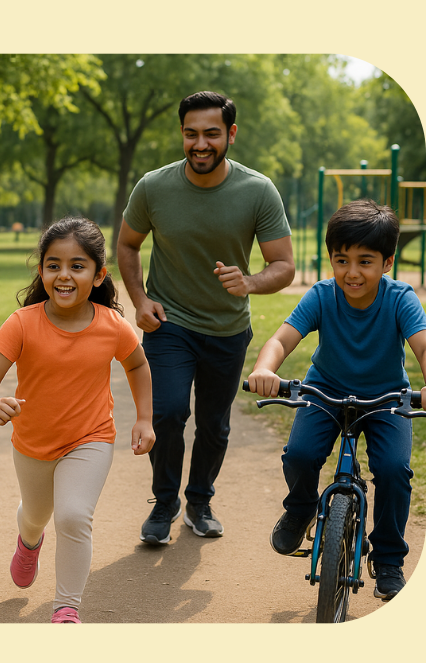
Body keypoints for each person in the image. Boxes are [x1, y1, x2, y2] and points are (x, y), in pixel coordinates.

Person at [118, 91, 294, 544]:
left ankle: (199, 501)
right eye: (191, 134)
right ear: (182, 134)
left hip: (226, 328)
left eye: (211, 134)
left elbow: (283, 265)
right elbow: (127, 244)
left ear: (230, 134)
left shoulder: (258, 190)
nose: (200, 144)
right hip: (169, 323)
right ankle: (164, 503)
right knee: (167, 412)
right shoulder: (153, 187)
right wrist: (139, 299)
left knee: (214, 424)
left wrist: (249, 282)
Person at [0, 217, 155, 624]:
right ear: (41, 271)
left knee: (72, 515)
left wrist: (145, 419)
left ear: (98, 275)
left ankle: (66, 609)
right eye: (53, 265)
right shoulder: (23, 322)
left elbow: (138, 365)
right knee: (36, 515)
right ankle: (29, 541)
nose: (64, 275)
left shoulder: (112, 326)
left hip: (91, 438)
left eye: (77, 265)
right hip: (33, 443)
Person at [246, 200, 426, 602]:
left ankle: (389, 560)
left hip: (386, 399)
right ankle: (301, 508)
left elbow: (423, 347)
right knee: (299, 454)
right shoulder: (323, 295)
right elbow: (281, 340)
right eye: (341, 260)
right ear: (330, 259)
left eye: (365, 261)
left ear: (388, 262)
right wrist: (265, 369)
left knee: (394, 470)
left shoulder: (400, 298)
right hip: (325, 391)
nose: (352, 272)